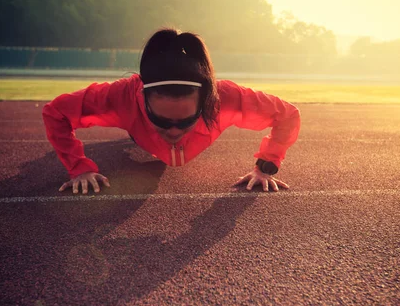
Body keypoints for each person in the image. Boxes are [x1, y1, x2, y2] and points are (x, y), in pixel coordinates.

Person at [43, 28, 301, 194]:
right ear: (142, 98)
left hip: (160, 122)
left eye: (186, 120)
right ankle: (141, 131)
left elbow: (288, 115)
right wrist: (79, 167)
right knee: (137, 136)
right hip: (138, 132)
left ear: (206, 101)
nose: (174, 131)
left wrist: (266, 165)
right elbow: (56, 112)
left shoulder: (226, 97)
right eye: (161, 120)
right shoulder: (121, 96)